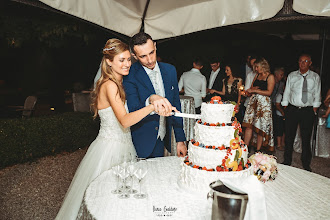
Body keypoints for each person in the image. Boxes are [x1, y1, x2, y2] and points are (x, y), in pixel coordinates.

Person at [55, 39, 174, 220]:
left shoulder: (120, 83)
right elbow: (125, 121)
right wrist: (152, 107)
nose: (127, 64)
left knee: (121, 199)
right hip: (110, 150)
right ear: (109, 61)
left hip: (125, 146)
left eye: (128, 59)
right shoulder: (109, 85)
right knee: (106, 199)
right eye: (121, 60)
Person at [123, 32, 187, 158]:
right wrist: (150, 101)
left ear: (155, 46)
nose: (150, 60)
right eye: (143, 56)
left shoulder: (170, 70)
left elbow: (176, 105)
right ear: (134, 56)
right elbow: (133, 108)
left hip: (163, 138)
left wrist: (180, 140)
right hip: (142, 141)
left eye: (151, 52)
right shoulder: (129, 75)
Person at [281, 54, 321, 171]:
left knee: (305, 137)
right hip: (292, 109)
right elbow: (287, 91)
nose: (302, 63)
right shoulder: (292, 76)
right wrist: (285, 106)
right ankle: (287, 160)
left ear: (310, 63)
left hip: (307, 110)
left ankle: (306, 163)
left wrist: (315, 108)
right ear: (298, 62)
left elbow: (317, 93)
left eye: (305, 61)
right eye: (300, 61)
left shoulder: (315, 77)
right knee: (289, 136)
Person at [242, 57, 275, 153]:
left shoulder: (270, 76)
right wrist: (248, 92)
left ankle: (258, 150)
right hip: (253, 102)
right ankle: (246, 148)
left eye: (257, 67)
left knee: (260, 127)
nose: (255, 69)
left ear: (263, 66)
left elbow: (269, 92)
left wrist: (255, 90)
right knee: (248, 126)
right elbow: (252, 88)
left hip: (264, 104)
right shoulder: (256, 76)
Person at [271, 67, 286, 151]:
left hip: (275, 104)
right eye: (281, 74)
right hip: (270, 103)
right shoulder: (271, 81)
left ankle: (278, 143)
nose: (282, 76)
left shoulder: (281, 84)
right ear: (276, 74)